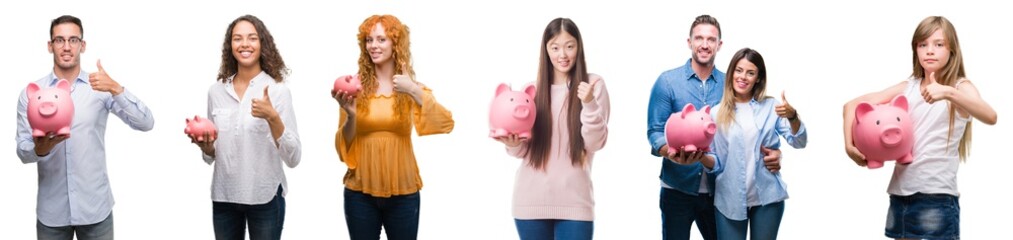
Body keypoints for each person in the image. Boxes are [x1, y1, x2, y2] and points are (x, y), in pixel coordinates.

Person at [842, 16, 997, 240]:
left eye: (938, 44)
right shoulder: (909, 87)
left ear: (952, 49)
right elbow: (850, 106)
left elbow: (991, 116)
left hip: (938, 196)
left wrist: (947, 93)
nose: (929, 51)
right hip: (899, 195)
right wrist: (849, 146)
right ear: (915, 50)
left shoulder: (960, 87)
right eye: (922, 44)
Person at [16, 15, 155, 240]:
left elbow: (146, 123)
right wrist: (40, 149)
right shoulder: (32, 93)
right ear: (50, 46)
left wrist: (116, 89)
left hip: (95, 209)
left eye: (73, 40)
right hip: (52, 213)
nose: (67, 47)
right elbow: (23, 150)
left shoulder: (99, 86)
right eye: (59, 40)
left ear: (83, 45)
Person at [645, 15, 782, 240]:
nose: (705, 44)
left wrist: (775, 152)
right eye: (699, 38)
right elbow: (655, 131)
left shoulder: (732, 85)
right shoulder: (667, 82)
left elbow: (752, 128)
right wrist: (670, 153)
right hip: (676, 188)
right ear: (689, 42)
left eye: (711, 39)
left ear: (719, 45)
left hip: (718, 192)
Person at [332, 14, 454, 240]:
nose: (373, 46)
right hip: (359, 192)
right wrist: (351, 117)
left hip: (404, 194)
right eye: (369, 40)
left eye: (381, 39)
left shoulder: (409, 87)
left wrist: (413, 90)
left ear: (395, 43)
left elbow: (446, 123)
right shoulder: (354, 87)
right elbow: (343, 149)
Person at [493, 17, 610, 240]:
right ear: (546, 50)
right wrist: (513, 144)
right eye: (555, 47)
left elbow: (595, 143)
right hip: (530, 202)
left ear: (579, 47)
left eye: (569, 46)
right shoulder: (533, 91)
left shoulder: (593, 85)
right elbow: (523, 151)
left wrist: (589, 103)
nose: (562, 55)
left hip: (576, 202)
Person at [189, 14, 302, 240]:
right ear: (230, 46)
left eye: (252, 38)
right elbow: (213, 156)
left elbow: (294, 157)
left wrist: (273, 118)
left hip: (265, 196)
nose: (245, 44)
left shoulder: (277, 91)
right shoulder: (216, 91)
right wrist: (207, 146)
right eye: (237, 39)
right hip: (224, 196)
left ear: (262, 44)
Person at [701, 48, 806, 240]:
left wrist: (792, 116)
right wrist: (700, 156)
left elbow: (799, 141)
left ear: (758, 78)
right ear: (731, 72)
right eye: (739, 70)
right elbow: (716, 163)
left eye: (750, 73)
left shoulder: (771, 107)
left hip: (767, 198)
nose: (743, 77)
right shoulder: (715, 113)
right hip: (728, 199)